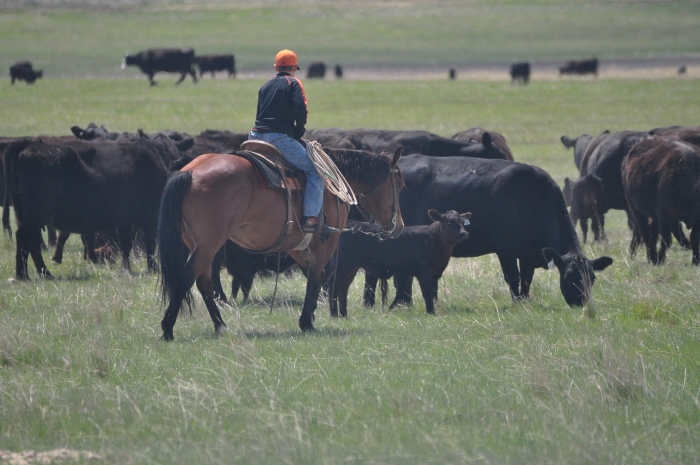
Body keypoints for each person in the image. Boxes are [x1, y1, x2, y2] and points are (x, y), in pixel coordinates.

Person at [248, 49, 338, 235]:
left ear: (276, 67)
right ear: (294, 68)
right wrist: (298, 131)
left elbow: (259, 114)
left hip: (254, 137)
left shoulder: (265, 86)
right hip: (278, 139)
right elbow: (301, 110)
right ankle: (311, 219)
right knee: (315, 171)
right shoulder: (293, 83)